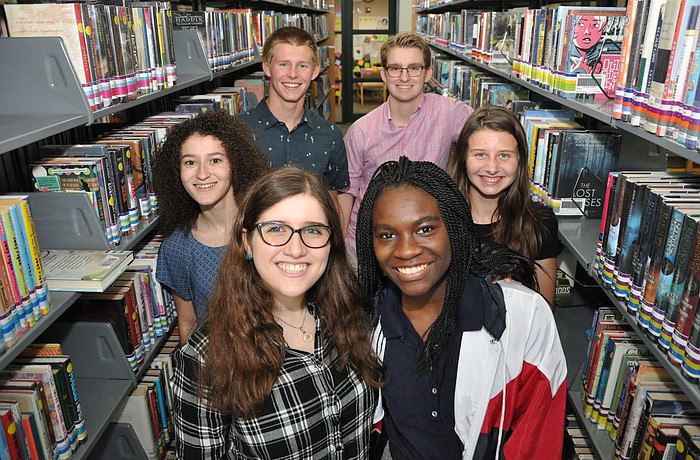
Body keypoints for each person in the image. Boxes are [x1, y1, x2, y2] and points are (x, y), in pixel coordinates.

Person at [355, 156, 567, 459]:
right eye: (387, 235)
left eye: (425, 229)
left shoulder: (523, 315)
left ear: (454, 229)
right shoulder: (365, 322)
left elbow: (538, 438)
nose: (406, 250)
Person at [171, 166, 385, 459]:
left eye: (312, 230)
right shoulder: (206, 355)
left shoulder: (348, 311)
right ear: (247, 242)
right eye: (276, 229)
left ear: (330, 242)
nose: (296, 249)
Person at [343, 32, 474, 262]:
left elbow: (489, 136)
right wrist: (338, 250)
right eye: (395, 68)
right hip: (367, 247)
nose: (404, 77)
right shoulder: (361, 131)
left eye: (414, 68)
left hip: (423, 245)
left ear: (428, 74)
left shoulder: (449, 113)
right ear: (384, 74)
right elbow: (348, 193)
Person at [154, 110, 268, 344]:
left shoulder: (268, 227)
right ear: (177, 171)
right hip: (219, 363)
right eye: (190, 162)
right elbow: (188, 324)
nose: (203, 174)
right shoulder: (177, 247)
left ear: (235, 164)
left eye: (215, 160)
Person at [237, 26, 352, 230]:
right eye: (283, 64)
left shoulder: (330, 135)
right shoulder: (238, 130)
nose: (292, 74)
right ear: (267, 67)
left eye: (302, 66)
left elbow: (333, 202)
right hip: (252, 245)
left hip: (308, 245)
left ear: (315, 71)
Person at [447, 106, 564, 305]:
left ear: (520, 160)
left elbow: (543, 311)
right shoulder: (439, 218)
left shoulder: (539, 223)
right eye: (480, 154)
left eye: (504, 155)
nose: (492, 168)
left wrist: (513, 293)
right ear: (463, 158)